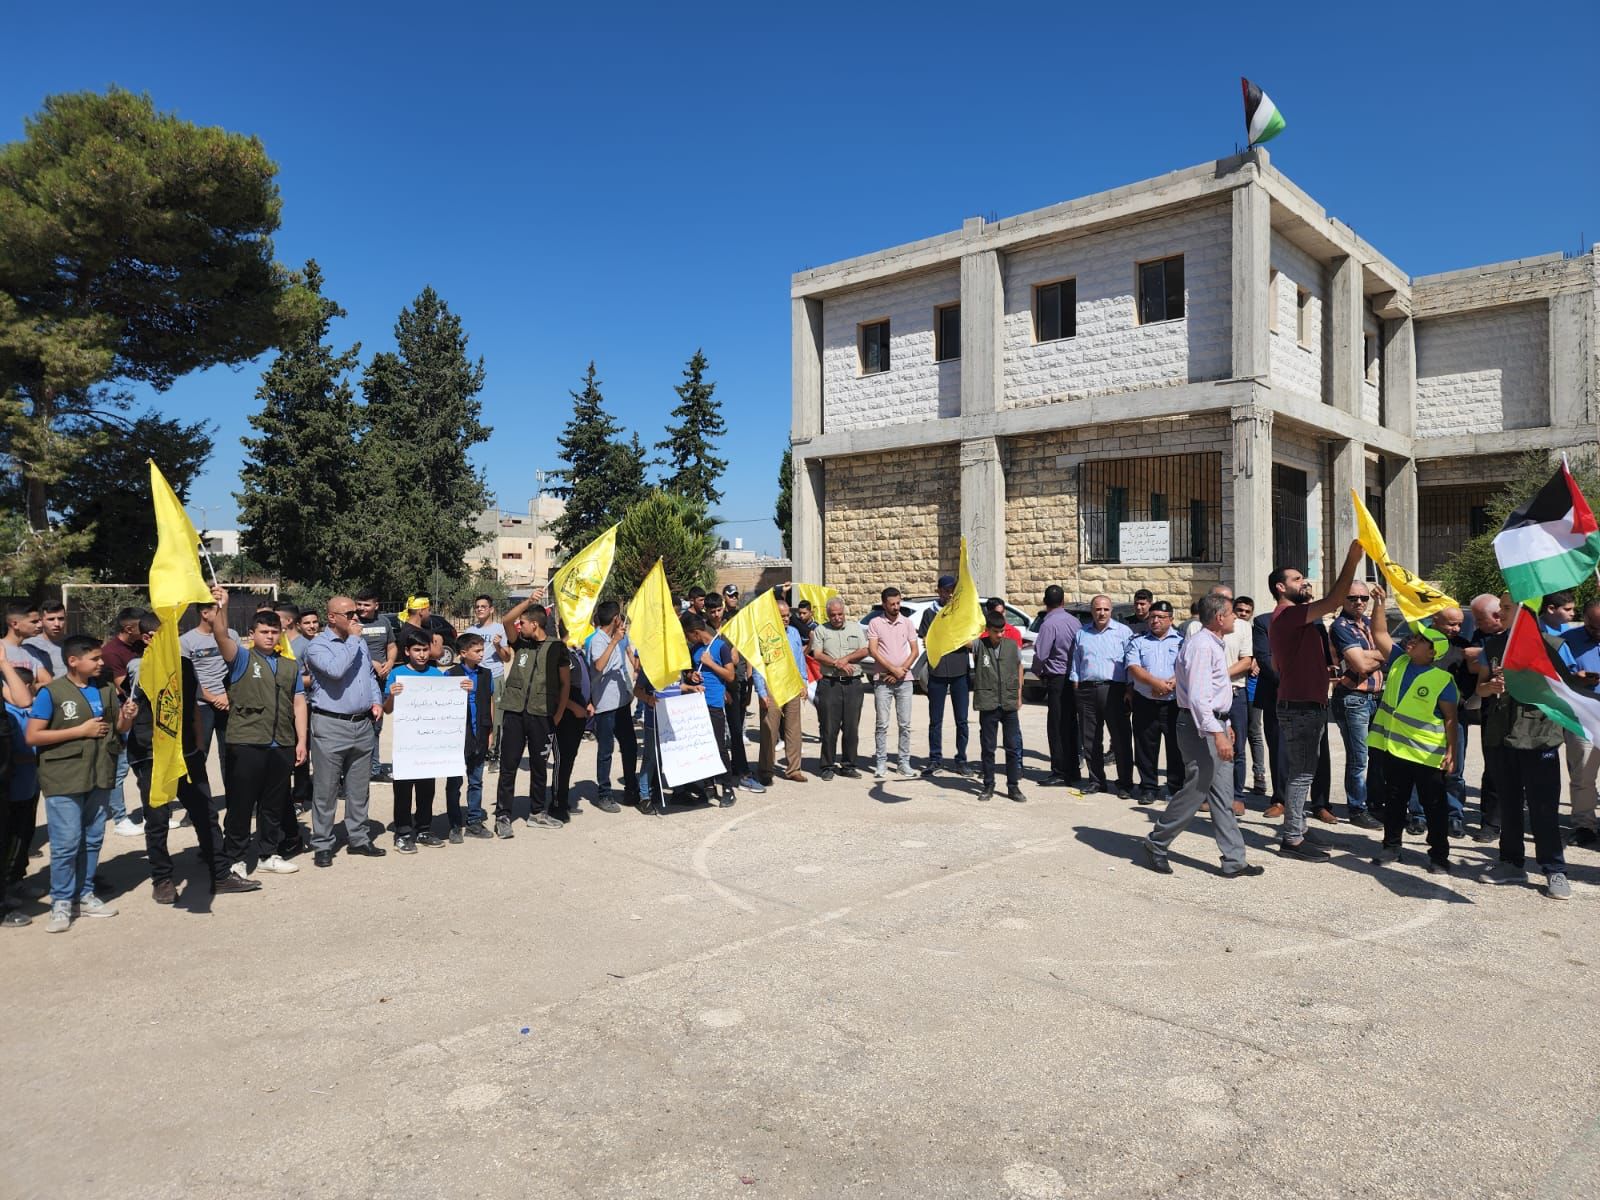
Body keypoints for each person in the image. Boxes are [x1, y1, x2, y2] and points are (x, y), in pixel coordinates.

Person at [1140, 594, 1262, 879]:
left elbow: (1215, 691)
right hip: (1200, 728)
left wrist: (1225, 723)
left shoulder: (1213, 644)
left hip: (1214, 724)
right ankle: (1157, 841)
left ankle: (1234, 860)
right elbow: (1197, 697)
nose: (1235, 618)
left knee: (1223, 795)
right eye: (1231, 614)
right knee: (1196, 791)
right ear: (1219, 618)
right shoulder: (1202, 646)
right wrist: (1216, 733)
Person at [26, 635, 138, 931]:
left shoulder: (105, 689)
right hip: (64, 777)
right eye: (95, 658)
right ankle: (61, 902)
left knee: (92, 838)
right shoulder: (52, 692)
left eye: (101, 658)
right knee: (66, 842)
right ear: (73, 661)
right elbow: (33, 736)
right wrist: (80, 731)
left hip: (100, 774)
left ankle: (84, 895)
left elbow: (117, 728)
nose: (102, 663)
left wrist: (127, 718)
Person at [1267, 540, 1365, 860]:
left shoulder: (1295, 619)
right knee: (1301, 775)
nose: (1304, 582)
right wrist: (1352, 559)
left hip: (1305, 705)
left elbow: (1280, 664)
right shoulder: (1288, 615)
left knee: (1304, 771)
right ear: (1280, 587)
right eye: (1297, 579)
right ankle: (1292, 839)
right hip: (1300, 708)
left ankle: (1298, 828)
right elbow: (1336, 600)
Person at [126, 633, 232, 903]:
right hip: (152, 754)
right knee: (158, 818)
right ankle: (162, 879)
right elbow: (130, 711)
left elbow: (192, 705)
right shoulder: (140, 666)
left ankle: (221, 874)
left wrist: (198, 742)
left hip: (186, 752)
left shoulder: (184, 664)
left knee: (206, 813)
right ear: (148, 638)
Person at [1476, 601, 1572, 899]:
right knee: (1508, 803)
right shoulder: (1493, 645)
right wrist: (1491, 686)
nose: (1500, 612)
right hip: (1501, 736)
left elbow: (1567, 692)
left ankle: (1554, 869)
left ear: (1525, 610)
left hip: (1539, 737)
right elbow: (1480, 688)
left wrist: (1527, 680)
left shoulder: (1554, 645)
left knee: (1543, 807)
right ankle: (1511, 863)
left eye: (1507, 607)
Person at [1363, 587, 1458, 873]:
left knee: (1434, 806)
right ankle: (1391, 847)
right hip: (1394, 750)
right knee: (1394, 801)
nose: (1412, 640)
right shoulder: (1399, 661)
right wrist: (1380, 603)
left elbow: (1451, 719)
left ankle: (1439, 856)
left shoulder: (1442, 680)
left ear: (1432, 652)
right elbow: (1380, 633)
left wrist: (1452, 752)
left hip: (1427, 755)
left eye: (1420, 640)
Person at [214, 595, 307, 880]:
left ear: (281, 634)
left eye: (274, 631)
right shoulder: (242, 658)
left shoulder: (290, 665)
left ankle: (268, 854)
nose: (269, 636)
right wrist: (222, 607)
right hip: (248, 742)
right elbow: (221, 635)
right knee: (241, 804)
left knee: (274, 804)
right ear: (252, 634)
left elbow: (299, 703)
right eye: (264, 631)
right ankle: (236, 858)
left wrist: (301, 741)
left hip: (282, 743)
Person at [303, 597, 386, 868]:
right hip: (331, 725)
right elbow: (336, 671)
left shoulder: (358, 643)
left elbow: (369, 676)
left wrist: (376, 700)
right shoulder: (318, 646)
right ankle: (323, 844)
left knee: (359, 788)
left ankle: (358, 838)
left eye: (356, 612)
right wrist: (353, 639)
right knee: (326, 789)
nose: (355, 617)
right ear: (331, 617)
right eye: (349, 614)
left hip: (362, 724)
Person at [384, 635, 472, 850]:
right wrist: (392, 696)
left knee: (426, 790)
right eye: (417, 650)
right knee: (403, 792)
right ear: (407, 651)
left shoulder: (436, 674)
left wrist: (462, 689)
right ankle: (403, 833)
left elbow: (447, 704)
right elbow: (387, 709)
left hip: (429, 746)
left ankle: (424, 829)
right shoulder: (397, 674)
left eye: (425, 650)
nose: (422, 654)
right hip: (406, 745)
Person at [493, 604, 568, 835]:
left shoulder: (557, 648)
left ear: (534, 624)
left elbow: (565, 683)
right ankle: (503, 816)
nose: (519, 626)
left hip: (542, 714)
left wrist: (558, 714)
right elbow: (507, 620)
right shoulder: (521, 643)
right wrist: (527, 602)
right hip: (514, 712)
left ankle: (537, 812)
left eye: (523, 623)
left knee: (539, 766)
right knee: (508, 766)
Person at [1327, 580, 1386, 829]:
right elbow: (1360, 665)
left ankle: (1374, 803)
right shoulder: (1341, 627)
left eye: (1364, 598)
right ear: (1343, 599)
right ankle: (1357, 808)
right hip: (1353, 698)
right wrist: (1381, 655)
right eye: (1352, 598)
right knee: (1358, 758)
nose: (1359, 602)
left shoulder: (1370, 624)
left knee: (1378, 755)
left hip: (1376, 697)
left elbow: (1387, 649)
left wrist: (1371, 654)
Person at [1070, 595, 1133, 798]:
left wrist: (1129, 689)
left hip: (1114, 690)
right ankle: (1096, 781)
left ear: (1111, 611)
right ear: (1092, 611)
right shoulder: (1082, 633)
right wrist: (1077, 686)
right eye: (1098, 609)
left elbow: (1131, 663)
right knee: (1090, 739)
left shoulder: (1123, 632)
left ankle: (1125, 784)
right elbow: (1076, 663)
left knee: (1120, 739)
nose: (1102, 613)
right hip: (1087, 690)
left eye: (1106, 609)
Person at [1124, 600, 1183, 805]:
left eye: (1161, 617)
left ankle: (1175, 787)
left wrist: (1171, 684)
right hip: (1145, 702)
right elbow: (1134, 667)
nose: (1155, 621)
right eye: (1152, 617)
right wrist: (1156, 684)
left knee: (1176, 748)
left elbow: (1186, 667)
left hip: (1173, 703)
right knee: (1145, 747)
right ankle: (1148, 787)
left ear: (1171, 619)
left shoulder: (1182, 641)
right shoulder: (1138, 640)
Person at [918, 573, 973, 778]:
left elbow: (970, 638)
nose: (950, 594)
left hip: (960, 671)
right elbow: (926, 640)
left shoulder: (962, 612)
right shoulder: (929, 613)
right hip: (938, 671)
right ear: (939, 591)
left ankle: (961, 760)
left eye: (953, 590)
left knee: (962, 720)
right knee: (936, 720)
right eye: (946, 590)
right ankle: (935, 759)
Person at [586, 601, 637, 812]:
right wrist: (614, 642)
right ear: (615, 619)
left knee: (630, 746)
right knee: (606, 750)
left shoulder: (617, 638)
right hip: (605, 706)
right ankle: (604, 794)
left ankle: (631, 788)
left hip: (621, 703)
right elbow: (599, 666)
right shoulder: (597, 640)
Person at [0, 654, 40, 926]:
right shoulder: (13, 711)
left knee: (19, 836)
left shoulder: (20, 705)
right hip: (14, 782)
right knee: (10, 840)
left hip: (20, 783)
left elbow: (24, 700)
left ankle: (13, 884)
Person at [445, 633, 496, 839]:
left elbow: (490, 701)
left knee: (476, 781)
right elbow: (442, 703)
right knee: (454, 783)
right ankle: (455, 824)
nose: (482, 654)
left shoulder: (486, 674)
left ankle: (474, 821)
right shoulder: (451, 674)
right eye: (477, 651)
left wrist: (490, 731)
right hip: (458, 736)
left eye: (482, 650)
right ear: (463, 653)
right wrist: (457, 692)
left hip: (480, 734)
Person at [1032, 585, 1083, 788]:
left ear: (1045, 602)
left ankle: (1060, 771)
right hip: (1074, 677)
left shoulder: (1048, 624)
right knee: (1071, 724)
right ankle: (1073, 769)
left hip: (1057, 679)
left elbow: (1041, 654)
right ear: (1063, 601)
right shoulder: (1075, 621)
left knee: (1057, 725)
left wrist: (1037, 671)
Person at [813, 597, 869, 780]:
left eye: (840, 614)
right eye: (833, 615)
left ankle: (848, 765)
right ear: (828, 615)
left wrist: (846, 659)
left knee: (851, 727)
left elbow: (864, 650)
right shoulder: (821, 630)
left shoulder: (855, 628)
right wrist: (836, 663)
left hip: (853, 684)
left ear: (844, 612)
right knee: (829, 727)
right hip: (830, 684)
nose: (837, 618)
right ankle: (827, 766)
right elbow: (817, 654)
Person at [1559, 598, 1600, 848]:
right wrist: (1576, 679)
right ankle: (1584, 825)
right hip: (1582, 716)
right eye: (1594, 627)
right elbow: (1555, 678)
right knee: (1583, 773)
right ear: (1584, 619)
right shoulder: (1567, 641)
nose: (1598, 633)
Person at [972, 609, 1025, 802]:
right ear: (988, 630)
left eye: (1002, 631)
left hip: (1009, 701)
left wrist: (1019, 693)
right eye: (996, 632)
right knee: (988, 747)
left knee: (1012, 746)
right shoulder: (979, 645)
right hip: (988, 701)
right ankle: (988, 785)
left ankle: (1013, 786)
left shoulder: (1012, 646)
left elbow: (1019, 666)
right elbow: (959, 639)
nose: (1000, 635)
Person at [868, 587, 920, 781]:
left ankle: (903, 762)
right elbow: (873, 651)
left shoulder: (907, 623)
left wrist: (901, 671)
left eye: (898, 603)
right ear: (884, 604)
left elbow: (914, 651)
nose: (896, 607)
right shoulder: (875, 623)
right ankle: (881, 763)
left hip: (904, 681)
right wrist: (892, 669)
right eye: (892, 604)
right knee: (882, 724)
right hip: (883, 681)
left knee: (905, 724)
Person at [1466, 593, 1506, 842]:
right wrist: (1491, 681)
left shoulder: (1531, 640)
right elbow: (1476, 672)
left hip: (1526, 717)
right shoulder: (1489, 643)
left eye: (1480, 619)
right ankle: (1490, 823)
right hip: (1493, 712)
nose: (1476, 625)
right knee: (1493, 768)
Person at [686, 616, 738, 806]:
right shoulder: (694, 649)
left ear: (695, 633)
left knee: (719, 747)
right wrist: (692, 675)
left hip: (714, 704)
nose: (688, 639)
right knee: (702, 746)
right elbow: (689, 672)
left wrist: (710, 663)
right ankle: (708, 785)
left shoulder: (720, 647)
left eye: (688, 635)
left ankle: (728, 788)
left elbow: (730, 675)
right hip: (697, 703)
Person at [757, 594, 809, 784]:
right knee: (769, 731)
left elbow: (800, 659)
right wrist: (761, 692)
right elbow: (758, 665)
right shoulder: (764, 634)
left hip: (791, 685)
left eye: (788, 615)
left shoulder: (794, 633)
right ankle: (765, 770)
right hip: (771, 686)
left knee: (793, 730)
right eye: (782, 616)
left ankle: (794, 769)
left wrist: (803, 681)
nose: (786, 619)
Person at [353, 589, 398, 781]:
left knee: (376, 725)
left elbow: (391, 646)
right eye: (359, 604)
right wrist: (372, 663)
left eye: (366, 604)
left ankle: (375, 769)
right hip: (358, 682)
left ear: (376, 605)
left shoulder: (384, 622)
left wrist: (390, 662)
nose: (362, 608)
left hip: (380, 682)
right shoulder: (352, 622)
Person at [551, 628, 592, 819]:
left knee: (569, 759)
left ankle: (564, 799)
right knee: (562, 760)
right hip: (565, 714)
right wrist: (573, 707)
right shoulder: (559, 653)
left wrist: (588, 702)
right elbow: (554, 688)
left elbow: (584, 680)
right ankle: (557, 804)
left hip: (579, 713)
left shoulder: (577, 652)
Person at [464, 596, 508, 771]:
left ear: (491, 609)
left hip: (495, 676)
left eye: (483, 606)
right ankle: (477, 749)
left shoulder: (499, 629)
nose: (480, 609)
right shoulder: (470, 630)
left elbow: (507, 657)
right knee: (478, 714)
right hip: (476, 677)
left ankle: (494, 753)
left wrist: (497, 646)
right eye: (477, 606)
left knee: (496, 717)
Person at [1235, 597, 1270, 796]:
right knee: (1236, 735)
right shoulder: (1229, 631)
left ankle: (1259, 774)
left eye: (1247, 611)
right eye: (1239, 610)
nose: (1243, 614)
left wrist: (1257, 661)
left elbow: (1266, 653)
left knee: (1254, 733)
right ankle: (1234, 777)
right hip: (1235, 690)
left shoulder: (1256, 631)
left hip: (1253, 691)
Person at [22, 600, 66, 678]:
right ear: (41, 620)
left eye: (61, 619)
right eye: (51, 619)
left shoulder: (75, 643)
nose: (57, 624)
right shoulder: (30, 646)